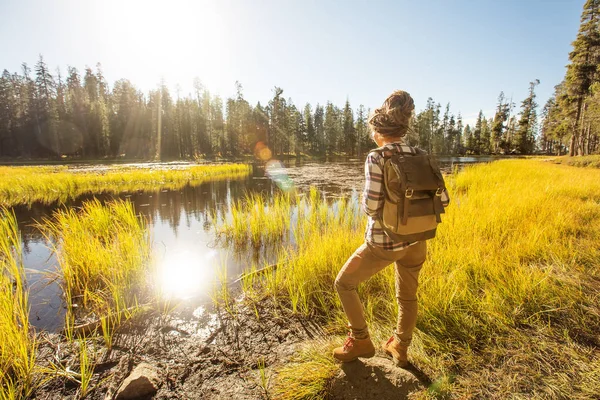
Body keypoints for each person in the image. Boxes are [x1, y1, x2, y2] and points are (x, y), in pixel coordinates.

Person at [332, 90, 449, 367]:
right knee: (407, 296)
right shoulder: (422, 155)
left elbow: (371, 206)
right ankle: (400, 346)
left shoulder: (377, 157)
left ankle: (360, 340)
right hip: (418, 240)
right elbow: (443, 200)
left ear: (378, 131)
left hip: (385, 243)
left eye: (373, 131)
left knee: (344, 283)